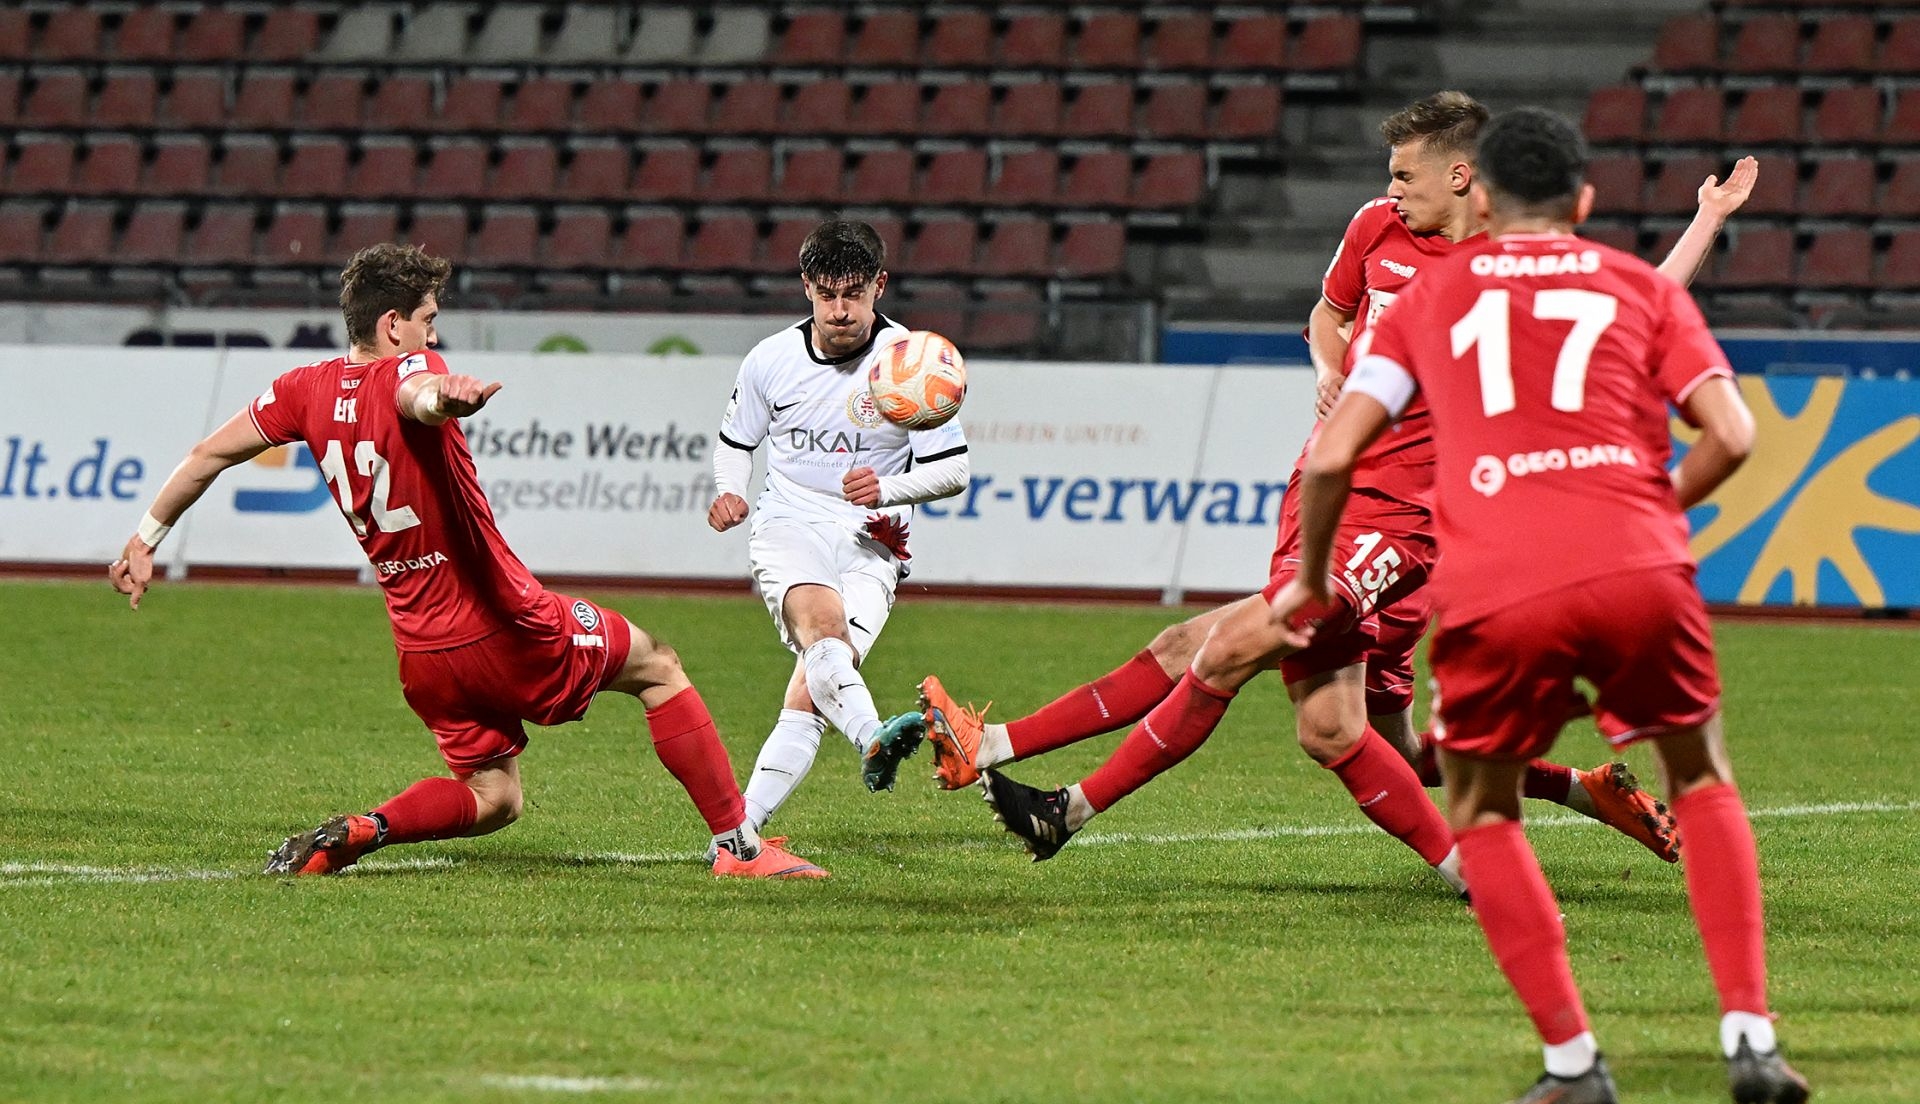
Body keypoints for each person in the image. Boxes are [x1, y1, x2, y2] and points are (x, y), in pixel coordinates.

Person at [926, 93, 1755, 882]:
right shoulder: (1376, 227)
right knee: (1345, 733)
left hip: (1401, 525)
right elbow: (1330, 314)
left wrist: (1708, 220)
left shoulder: (1505, 268)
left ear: (1460, 175)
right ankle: (1571, 794)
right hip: (1327, 498)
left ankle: (1058, 802)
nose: (1392, 190)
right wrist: (1330, 367)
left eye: (1404, 175)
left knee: (1224, 649)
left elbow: (1641, 302)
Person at [1272, 107, 1809, 1104]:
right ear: (1586, 199)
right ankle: (1751, 1037)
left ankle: (1573, 1063)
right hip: (1639, 561)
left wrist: (1309, 579)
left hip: (1502, 574)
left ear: (1480, 193)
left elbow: (1336, 451)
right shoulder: (1635, 285)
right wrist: (1656, 506)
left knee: (1480, 805)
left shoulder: (1433, 293)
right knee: (1700, 777)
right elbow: (1734, 435)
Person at [109, 244, 826, 881]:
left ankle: (366, 829)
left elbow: (206, 454)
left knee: (495, 797)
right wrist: (442, 395)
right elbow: (414, 394)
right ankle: (738, 846)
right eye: (427, 318)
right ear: (393, 325)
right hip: (503, 623)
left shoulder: (303, 389)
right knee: (659, 667)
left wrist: (145, 539)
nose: (433, 333)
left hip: (423, 653)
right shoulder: (414, 369)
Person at [707, 219, 969, 833]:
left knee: (814, 690)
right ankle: (874, 734)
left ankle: (739, 837)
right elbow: (736, 442)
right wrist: (729, 490)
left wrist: (889, 488)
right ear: (807, 288)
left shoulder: (912, 362)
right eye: (827, 295)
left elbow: (954, 470)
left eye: (854, 293)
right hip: (790, 520)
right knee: (824, 632)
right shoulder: (770, 359)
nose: (840, 310)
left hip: (875, 539)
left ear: (881, 285)